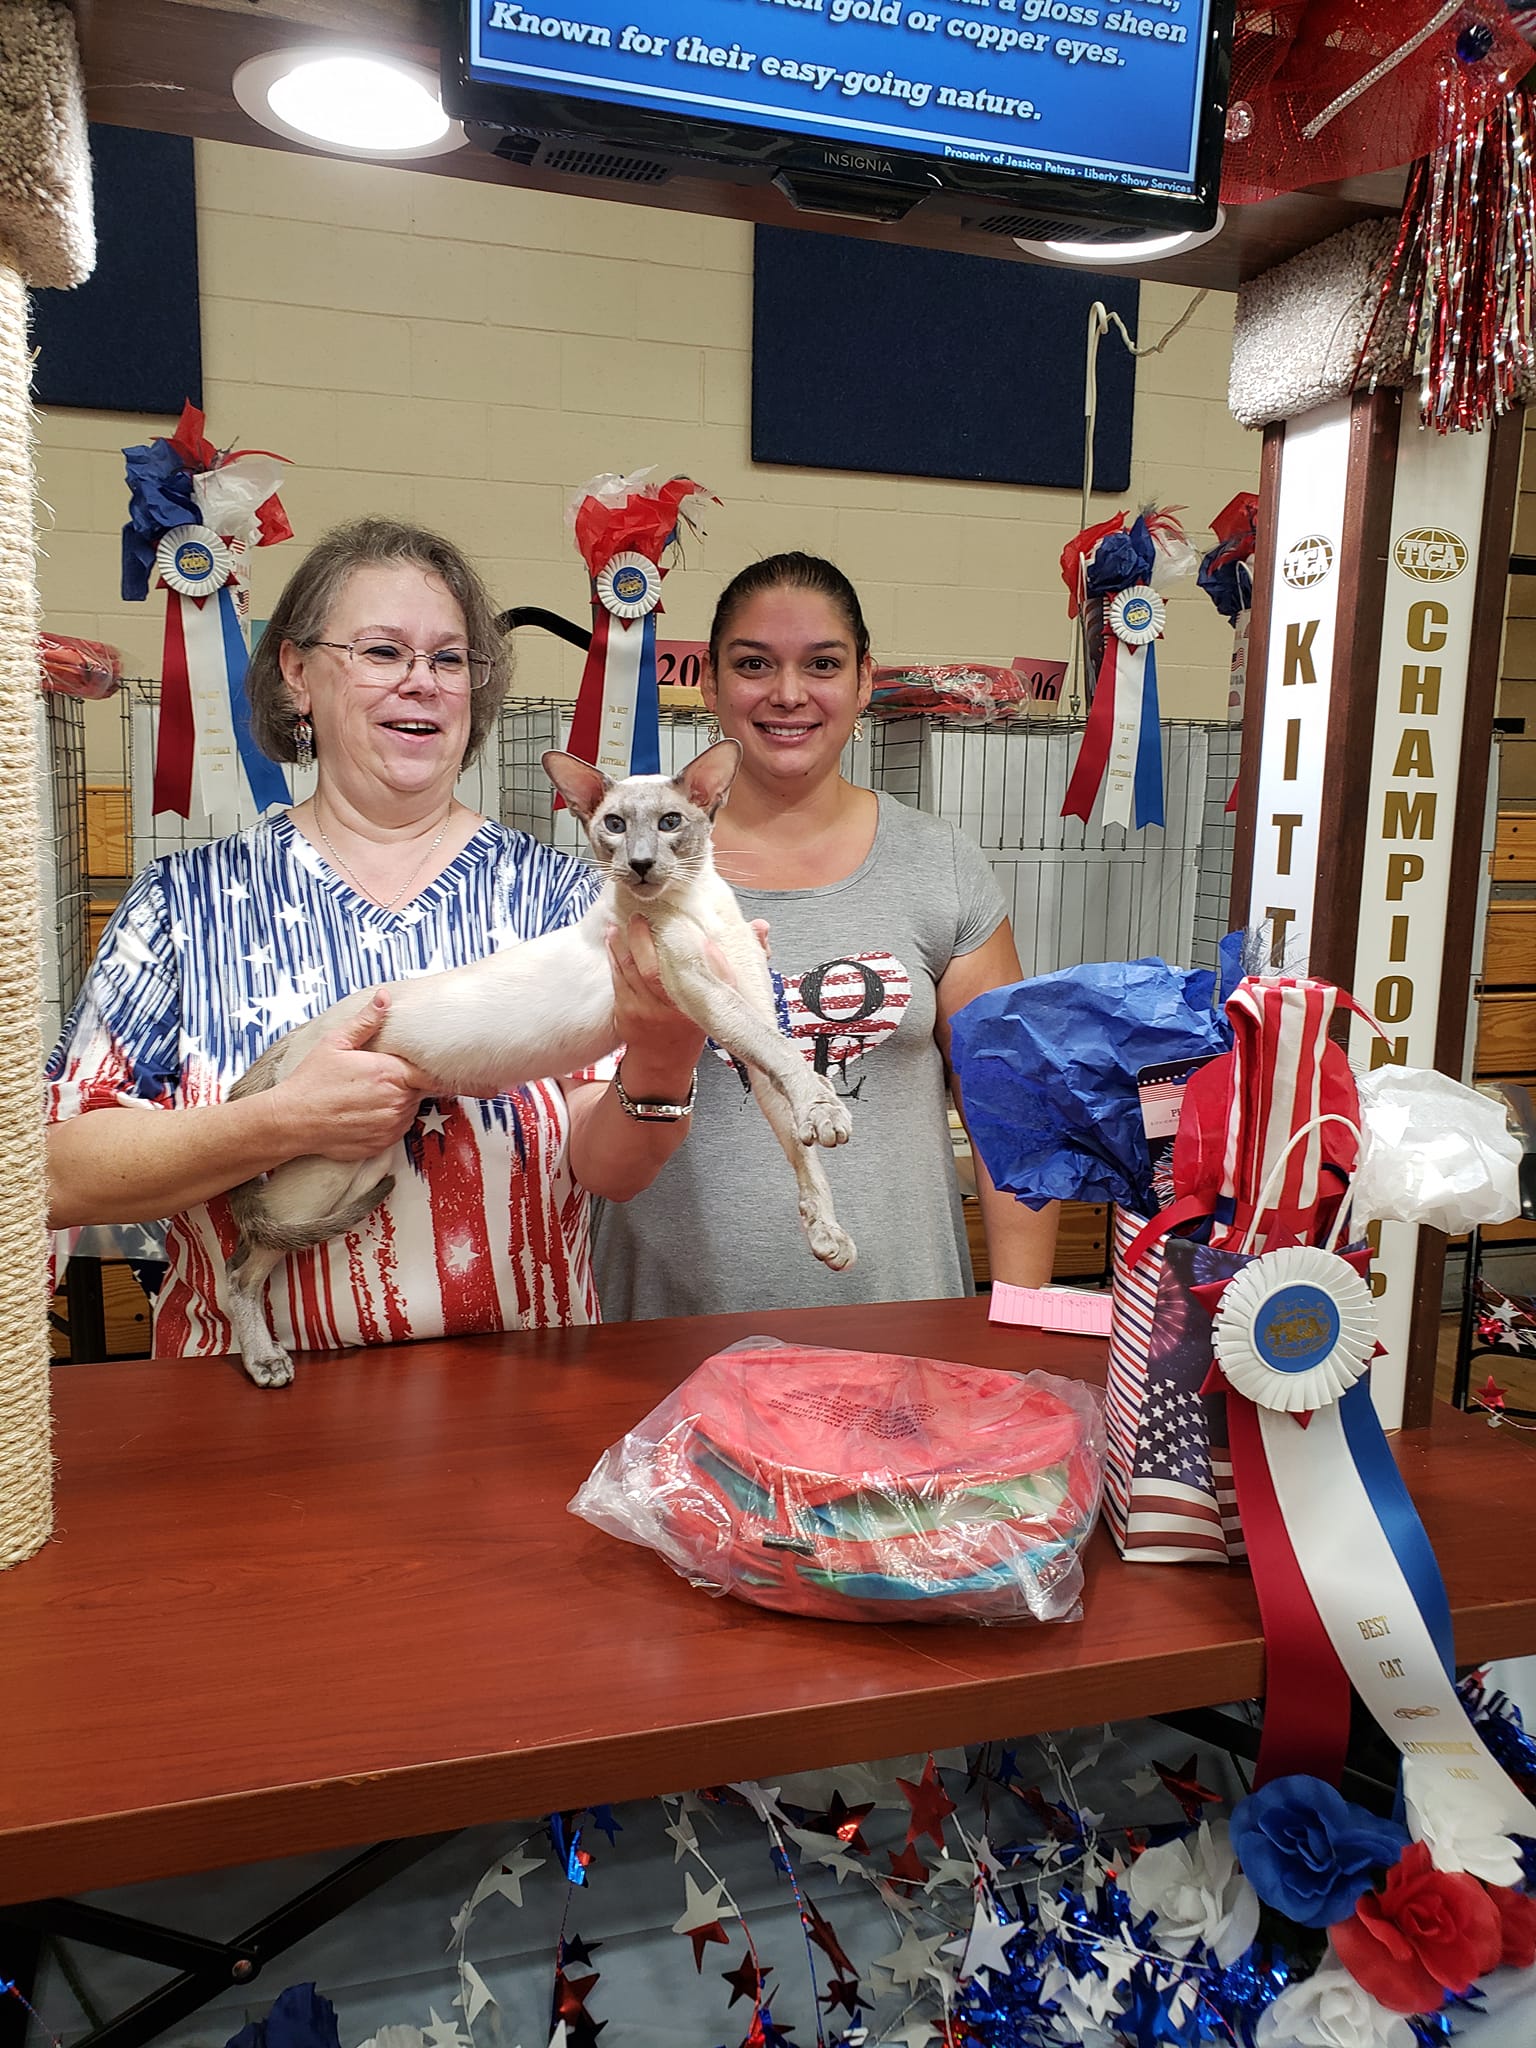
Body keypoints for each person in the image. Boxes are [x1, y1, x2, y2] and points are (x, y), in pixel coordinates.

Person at [45, 517, 704, 1357]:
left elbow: (610, 1169)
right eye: (383, 652)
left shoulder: (568, 898)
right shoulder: (184, 903)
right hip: (242, 1403)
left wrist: (663, 1062)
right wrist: (283, 1122)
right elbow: (58, 1175)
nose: (421, 682)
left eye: (449, 659)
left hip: (521, 1390)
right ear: (297, 674)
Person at [593, 551, 1057, 1319]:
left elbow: (1012, 1109)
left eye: (822, 664)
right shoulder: (622, 878)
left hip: (899, 1324)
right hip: (661, 1331)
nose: (787, 693)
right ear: (709, 682)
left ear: (863, 679)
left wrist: (1021, 1321)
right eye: (753, 664)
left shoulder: (939, 864)